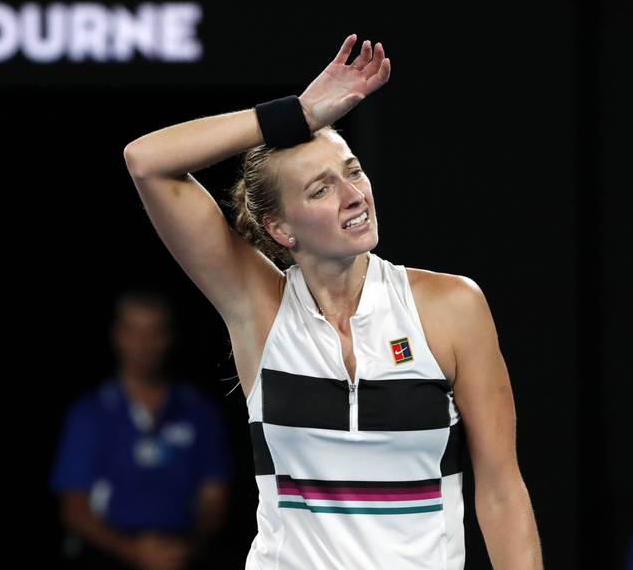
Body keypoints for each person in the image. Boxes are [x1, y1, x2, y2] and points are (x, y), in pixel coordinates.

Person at [122, 33, 543, 570]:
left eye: (353, 171)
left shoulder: (451, 306)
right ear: (280, 228)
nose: (353, 196)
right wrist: (296, 113)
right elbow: (146, 160)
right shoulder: (260, 308)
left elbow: (502, 491)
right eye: (320, 190)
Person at [49, 289, 233, 570]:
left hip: (181, 553)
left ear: (170, 337)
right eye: (133, 331)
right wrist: (134, 552)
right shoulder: (90, 413)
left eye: (154, 332)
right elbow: (74, 508)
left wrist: (187, 547)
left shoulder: (199, 411)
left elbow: (214, 497)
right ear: (117, 335)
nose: (143, 344)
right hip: (108, 554)